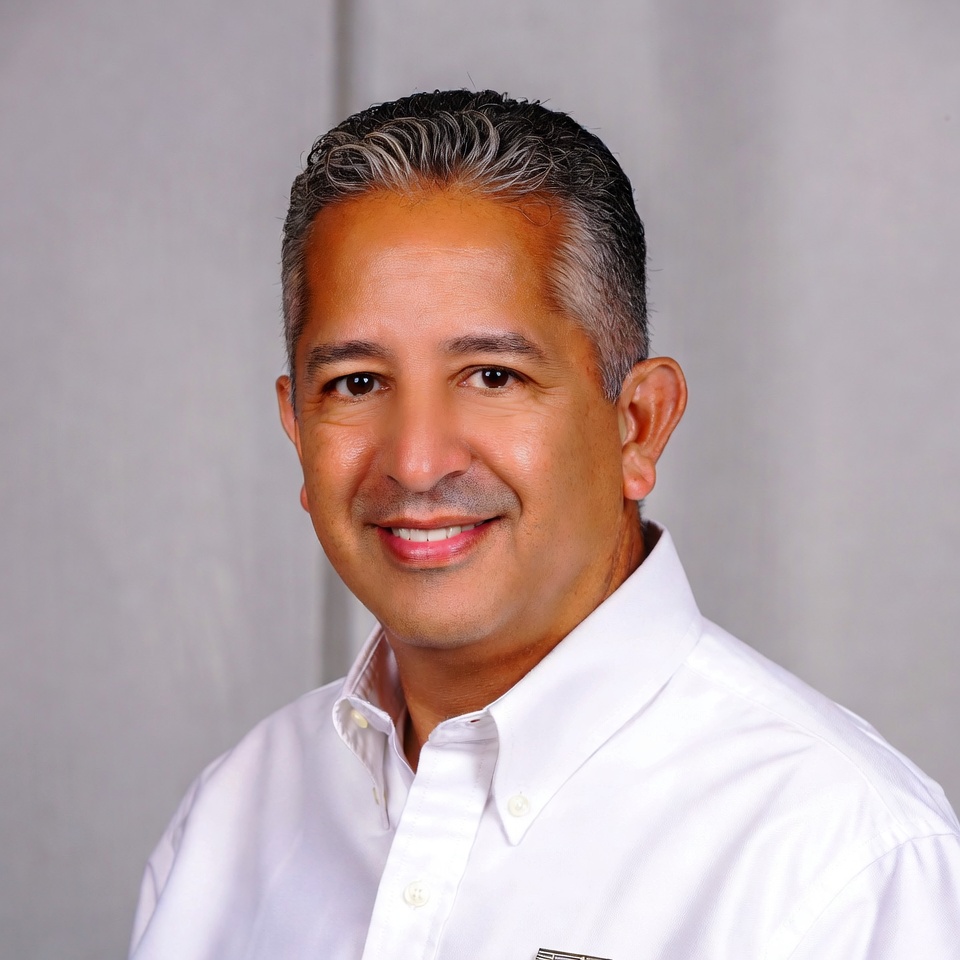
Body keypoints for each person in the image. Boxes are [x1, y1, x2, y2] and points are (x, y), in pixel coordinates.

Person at [128, 90, 960, 960]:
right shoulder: (227, 825)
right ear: (297, 430)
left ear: (638, 423)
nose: (415, 463)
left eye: (492, 376)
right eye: (358, 384)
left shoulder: (842, 864)